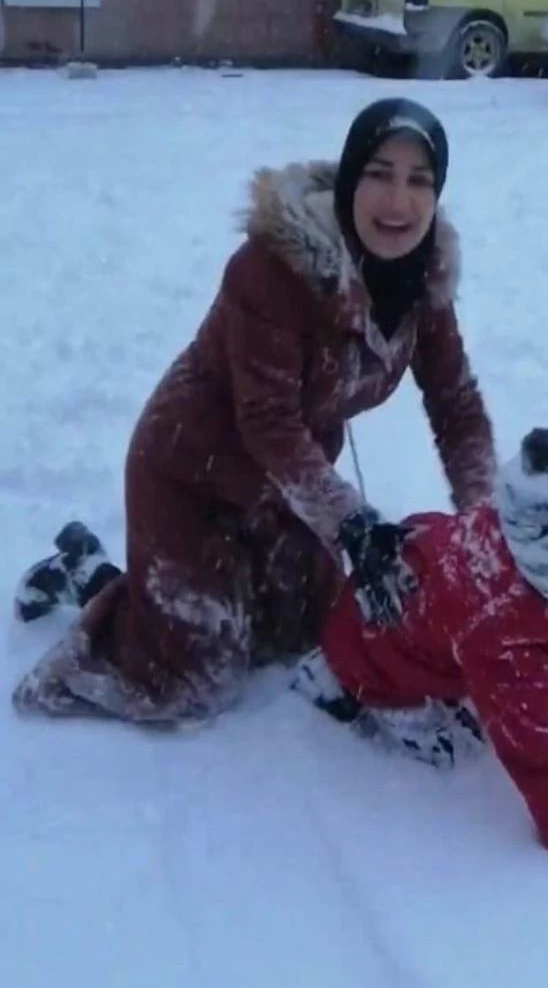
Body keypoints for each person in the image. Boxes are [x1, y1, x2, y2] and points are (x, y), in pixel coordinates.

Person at [13, 98, 496, 723]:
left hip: (290, 485)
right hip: (192, 470)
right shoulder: (271, 271)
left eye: (419, 180)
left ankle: (141, 593)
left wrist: (487, 524)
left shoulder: (424, 281)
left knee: (307, 630)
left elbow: (457, 406)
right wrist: (350, 519)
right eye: (380, 173)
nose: (399, 201)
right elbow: (267, 421)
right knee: (195, 680)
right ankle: (88, 584)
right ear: (351, 178)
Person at [293, 427, 548, 921]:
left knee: (451, 656)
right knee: (453, 752)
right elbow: (541, 752)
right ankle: (341, 684)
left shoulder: (522, 540)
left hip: (422, 616)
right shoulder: (505, 637)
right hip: (378, 656)